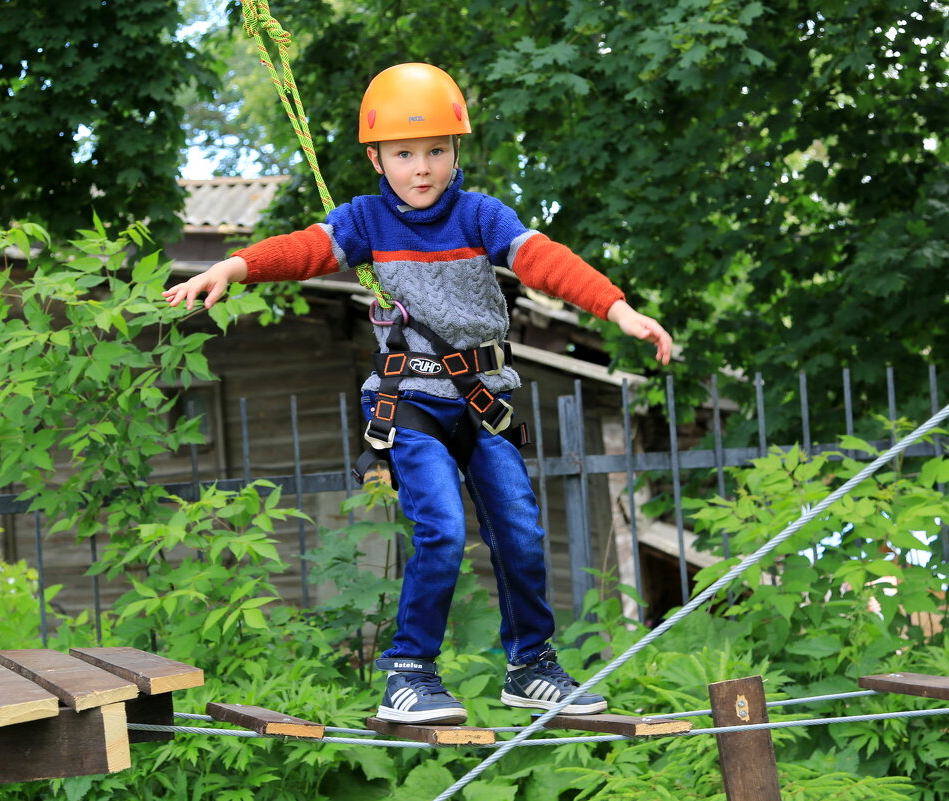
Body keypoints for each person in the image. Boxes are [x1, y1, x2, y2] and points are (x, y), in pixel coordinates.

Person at [164, 62, 672, 725]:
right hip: (412, 405)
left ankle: (531, 665)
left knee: (519, 530)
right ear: (377, 157)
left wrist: (617, 309)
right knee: (442, 529)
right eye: (404, 153)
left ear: (456, 150)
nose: (422, 167)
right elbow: (306, 249)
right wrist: (235, 265)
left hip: (482, 402)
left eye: (436, 150)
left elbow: (542, 258)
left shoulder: (480, 215)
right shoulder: (368, 221)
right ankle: (408, 673)